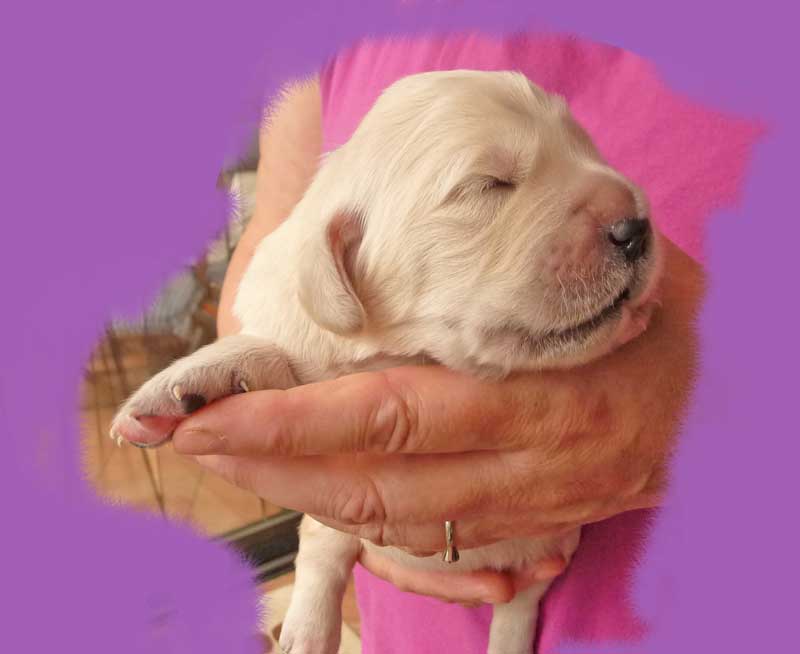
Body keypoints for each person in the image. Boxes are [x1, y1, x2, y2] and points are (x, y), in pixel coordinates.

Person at [170, 31, 758, 653]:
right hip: (412, 615)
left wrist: (734, 396)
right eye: (492, 185)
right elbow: (277, 254)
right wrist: (346, 497)